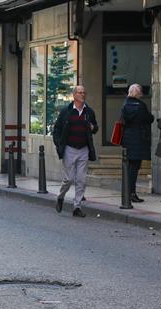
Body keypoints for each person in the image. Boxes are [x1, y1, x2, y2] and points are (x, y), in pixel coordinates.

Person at [52, 85, 99, 218]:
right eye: (80, 92)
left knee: (81, 179)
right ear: (74, 95)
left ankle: (77, 207)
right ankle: (60, 197)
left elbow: (95, 127)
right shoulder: (66, 111)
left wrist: (93, 127)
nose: (83, 95)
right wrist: (59, 145)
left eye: (84, 92)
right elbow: (57, 130)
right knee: (69, 178)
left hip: (84, 149)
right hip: (69, 149)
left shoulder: (88, 111)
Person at [121, 83, 154, 203]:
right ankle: (131, 193)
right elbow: (150, 119)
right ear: (138, 93)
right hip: (139, 139)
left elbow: (124, 120)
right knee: (134, 168)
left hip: (127, 139)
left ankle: (127, 192)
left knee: (129, 166)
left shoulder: (125, 105)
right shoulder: (141, 105)